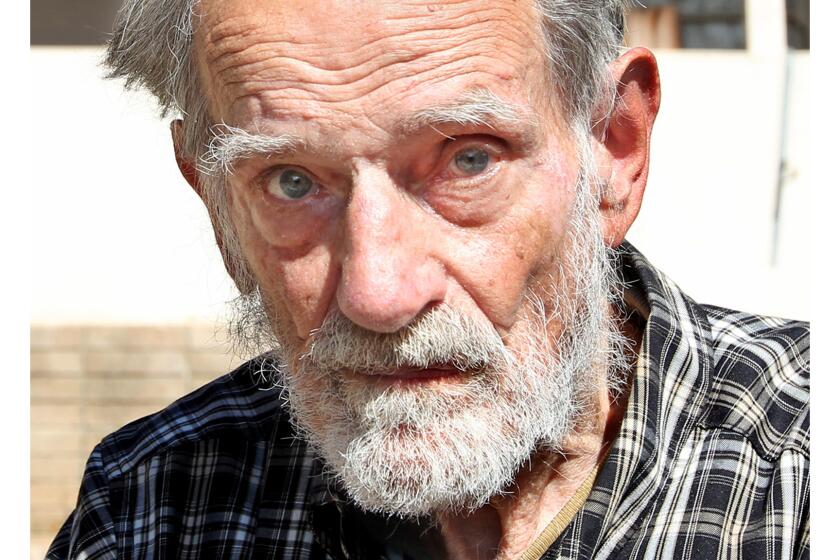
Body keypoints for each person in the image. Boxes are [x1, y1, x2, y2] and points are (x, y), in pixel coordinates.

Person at [47, 0, 810, 558]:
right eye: (290, 180)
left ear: (614, 149)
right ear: (217, 208)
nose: (378, 294)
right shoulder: (151, 509)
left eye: (468, 159)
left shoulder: (800, 478)